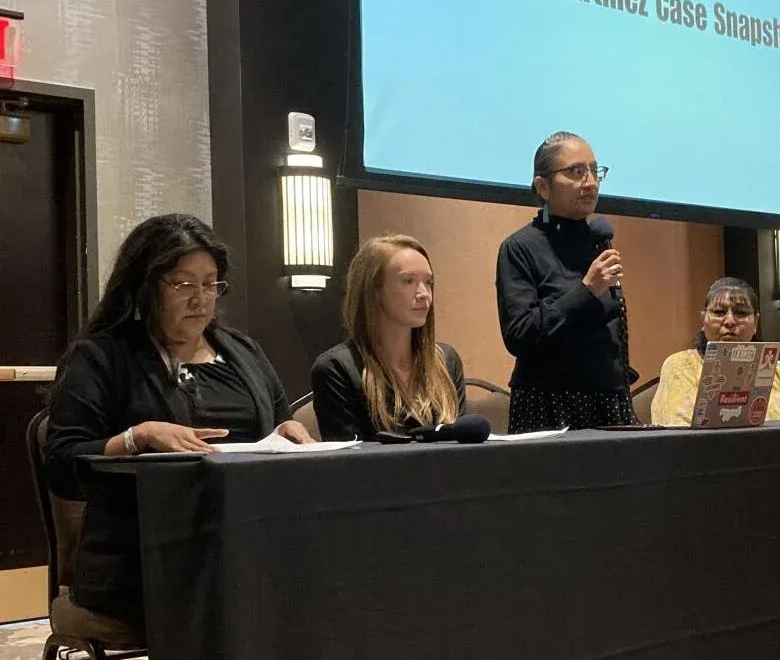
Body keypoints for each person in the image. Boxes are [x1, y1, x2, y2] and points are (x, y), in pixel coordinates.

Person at [44, 213, 311, 626]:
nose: (201, 298)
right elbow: (62, 463)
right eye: (184, 284)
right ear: (145, 286)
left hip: (244, 540)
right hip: (144, 555)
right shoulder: (100, 358)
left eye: (211, 284)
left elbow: (276, 422)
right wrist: (137, 437)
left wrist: (286, 431)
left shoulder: (243, 352)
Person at [496, 131, 638, 432]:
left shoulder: (599, 240)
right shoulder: (520, 248)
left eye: (594, 170)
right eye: (576, 172)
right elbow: (519, 335)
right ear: (543, 187)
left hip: (610, 401)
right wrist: (586, 290)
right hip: (548, 402)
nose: (590, 182)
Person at [311, 234, 466, 440]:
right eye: (408, 281)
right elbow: (347, 465)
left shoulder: (446, 360)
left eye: (428, 282)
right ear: (374, 291)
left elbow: (462, 451)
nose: (424, 294)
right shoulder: (336, 368)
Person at [650, 276, 780, 425]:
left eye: (741, 313)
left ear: (755, 323)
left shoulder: (778, 370)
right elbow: (675, 432)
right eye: (719, 312)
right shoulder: (680, 365)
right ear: (703, 320)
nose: (730, 321)